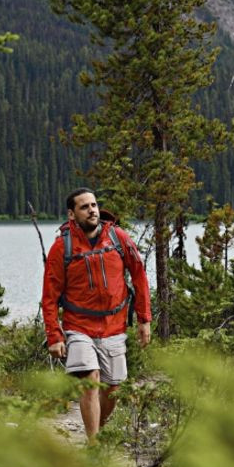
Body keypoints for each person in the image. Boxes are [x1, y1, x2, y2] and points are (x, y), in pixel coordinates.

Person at [41, 188, 152, 443]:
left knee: (112, 388)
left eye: (94, 205)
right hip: (78, 326)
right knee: (90, 379)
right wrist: (54, 334)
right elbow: (49, 295)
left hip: (114, 326)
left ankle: (96, 431)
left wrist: (144, 319)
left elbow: (139, 276)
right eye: (84, 207)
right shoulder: (62, 248)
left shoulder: (118, 237)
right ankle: (94, 447)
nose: (92, 210)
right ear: (72, 214)